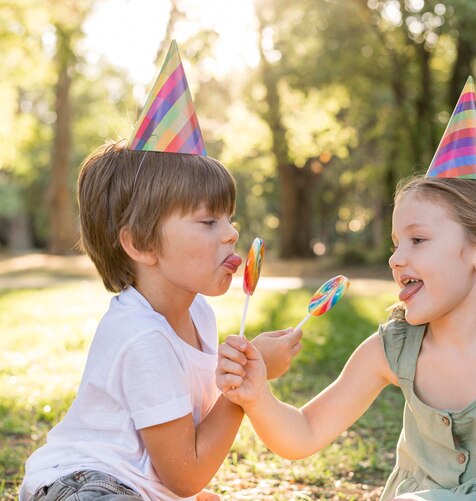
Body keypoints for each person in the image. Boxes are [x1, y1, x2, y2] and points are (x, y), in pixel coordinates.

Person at [216, 77, 476, 500]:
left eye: (418, 240)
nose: (396, 260)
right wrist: (257, 396)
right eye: (396, 245)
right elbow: (303, 434)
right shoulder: (394, 348)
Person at [20, 41, 302, 501]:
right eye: (209, 221)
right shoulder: (142, 337)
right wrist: (246, 385)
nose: (231, 234)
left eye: (229, 218)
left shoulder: (202, 319)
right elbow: (186, 475)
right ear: (141, 244)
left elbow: (183, 464)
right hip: (82, 484)